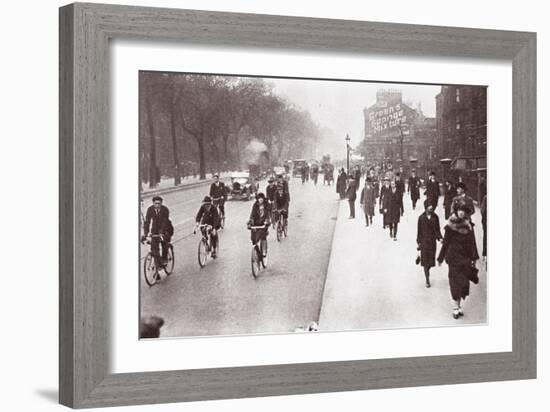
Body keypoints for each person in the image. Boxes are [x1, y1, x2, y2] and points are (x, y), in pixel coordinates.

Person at [437, 204, 480, 319]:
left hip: (465, 259)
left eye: (463, 211)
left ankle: (459, 304)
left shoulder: (469, 227)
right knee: (455, 283)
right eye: (459, 210)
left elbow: (472, 244)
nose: (461, 212)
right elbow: (445, 243)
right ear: (456, 211)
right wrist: (440, 258)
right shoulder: (450, 226)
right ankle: (455, 307)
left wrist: (474, 258)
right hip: (453, 258)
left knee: (463, 283)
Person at [142, 196, 173, 270]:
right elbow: (147, 222)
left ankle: (165, 258)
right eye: (155, 203)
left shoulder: (165, 210)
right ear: (153, 203)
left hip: (166, 229)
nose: (157, 205)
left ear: (161, 203)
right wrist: (146, 233)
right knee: (154, 249)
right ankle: (157, 270)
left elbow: (165, 222)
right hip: (155, 229)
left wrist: (161, 232)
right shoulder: (150, 209)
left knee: (164, 243)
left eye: (159, 203)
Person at [416, 199, 443, 288]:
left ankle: (428, 272)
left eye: (432, 206)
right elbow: (419, 231)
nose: (431, 207)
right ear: (426, 207)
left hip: (432, 242)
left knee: (431, 262)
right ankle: (427, 279)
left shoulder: (435, 217)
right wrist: (418, 242)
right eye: (429, 206)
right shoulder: (421, 218)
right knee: (425, 262)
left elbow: (438, 230)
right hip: (424, 242)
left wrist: (440, 238)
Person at [481, 194, 487, 260]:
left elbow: (482, 211)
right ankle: (485, 254)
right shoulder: (486, 198)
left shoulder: (486, 197)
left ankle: (485, 254)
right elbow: (483, 211)